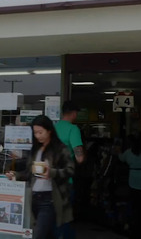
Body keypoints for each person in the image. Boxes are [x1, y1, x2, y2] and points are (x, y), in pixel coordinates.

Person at [7, 115, 75, 239]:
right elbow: (29, 173)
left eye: (40, 132)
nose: (38, 136)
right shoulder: (35, 149)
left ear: (49, 130)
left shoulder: (60, 149)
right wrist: (15, 175)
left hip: (50, 199)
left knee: (38, 235)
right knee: (46, 234)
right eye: (35, 133)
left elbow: (70, 170)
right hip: (33, 198)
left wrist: (52, 173)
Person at [53, 100, 83, 239]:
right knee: (65, 218)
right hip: (65, 180)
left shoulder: (53, 128)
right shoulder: (73, 129)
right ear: (74, 113)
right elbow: (80, 158)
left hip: (51, 180)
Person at [117, 133, 141, 239]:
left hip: (133, 181)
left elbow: (122, 159)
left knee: (135, 207)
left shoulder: (129, 152)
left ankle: (135, 229)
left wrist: (117, 152)